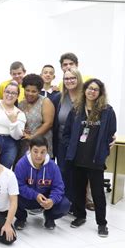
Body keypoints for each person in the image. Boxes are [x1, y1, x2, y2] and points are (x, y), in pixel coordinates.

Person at [63, 79, 116, 237]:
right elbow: (66, 133)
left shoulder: (107, 111)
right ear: (84, 90)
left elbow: (110, 133)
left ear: (100, 93)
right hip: (77, 157)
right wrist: (70, 147)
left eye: (96, 89)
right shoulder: (76, 109)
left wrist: (105, 149)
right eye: (89, 88)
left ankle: (102, 223)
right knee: (78, 189)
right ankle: (80, 216)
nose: (92, 92)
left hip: (95, 159)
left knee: (98, 193)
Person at [14, 136, 70, 230]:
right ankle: (21, 218)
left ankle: (49, 217)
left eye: (42, 152)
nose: (39, 155)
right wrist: (35, 195)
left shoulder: (52, 166)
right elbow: (18, 186)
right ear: (30, 149)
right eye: (35, 151)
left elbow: (59, 187)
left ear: (47, 151)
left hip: (45, 199)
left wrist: (52, 200)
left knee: (65, 205)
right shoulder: (21, 164)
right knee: (10, 197)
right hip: (28, 198)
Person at [52, 68, 83, 204]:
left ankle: (76, 203)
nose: (69, 81)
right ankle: (65, 201)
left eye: (72, 78)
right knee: (63, 171)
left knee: (77, 173)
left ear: (78, 79)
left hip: (81, 143)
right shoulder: (59, 98)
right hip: (62, 142)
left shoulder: (85, 97)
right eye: (66, 79)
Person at [18, 74, 55, 158]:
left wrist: (32, 137)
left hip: (41, 145)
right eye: (27, 90)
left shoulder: (45, 102)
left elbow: (48, 123)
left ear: (39, 91)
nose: (30, 93)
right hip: (24, 145)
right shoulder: (21, 104)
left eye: (34, 91)